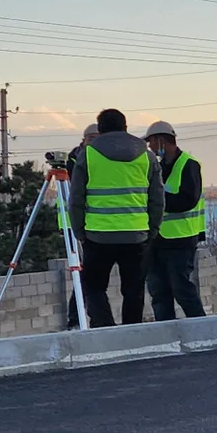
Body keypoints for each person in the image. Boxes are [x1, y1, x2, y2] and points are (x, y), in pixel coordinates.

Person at [68, 108, 163, 327]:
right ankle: (130, 335)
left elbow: (76, 199)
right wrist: (152, 231)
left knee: (93, 287)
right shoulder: (146, 155)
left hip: (98, 236)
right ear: (126, 127)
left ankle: (105, 329)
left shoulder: (88, 154)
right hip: (136, 236)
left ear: (100, 130)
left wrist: (80, 231)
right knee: (134, 291)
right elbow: (157, 200)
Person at [142, 120, 207, 320]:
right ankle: (167, 333)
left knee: (182, 290)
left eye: (152, 143)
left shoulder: (188, 164)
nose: (150, 148)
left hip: (181, 239)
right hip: (156, 240)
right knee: (159, 292)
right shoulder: (157, 167)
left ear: (161, 141)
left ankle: (203, 329)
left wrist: (157, 201)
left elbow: (188, 199)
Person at [63, 122, 98, 329]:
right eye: (91, 139)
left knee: (88, 275)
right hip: (76, 224)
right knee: (84, 274)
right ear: (84, 140)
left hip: (94, 224)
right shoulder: (76, 160)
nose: (95, 143)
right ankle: (76, 319)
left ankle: (85, 318)